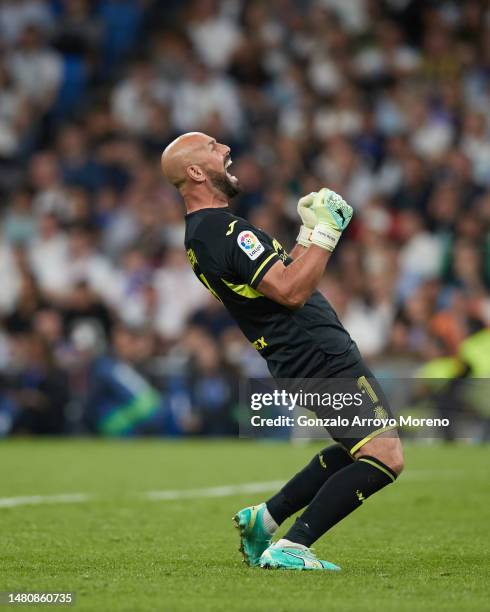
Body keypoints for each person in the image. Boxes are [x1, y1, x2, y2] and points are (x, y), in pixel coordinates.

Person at [161, 132, 404, 571]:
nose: (226, 150)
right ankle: (294, 544)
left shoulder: (207, 233)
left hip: (299, 354)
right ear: (196, 172)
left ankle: (265, 519)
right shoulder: (222, 230)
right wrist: (328, 233)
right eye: (214, 148)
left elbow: (278, 279)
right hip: (317, 353)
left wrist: (308, 234)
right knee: (384, 456)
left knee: (356, 447)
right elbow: (292, 292)